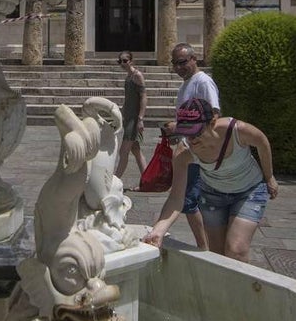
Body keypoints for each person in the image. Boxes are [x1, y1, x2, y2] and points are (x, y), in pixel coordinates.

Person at [143, 98, 279, 262]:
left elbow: (262, 142)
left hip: (249, 190)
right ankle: (222, 287)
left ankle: (239, 287)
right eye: (186, 134)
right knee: (218, 255)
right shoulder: (184, 152)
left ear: (212, 122)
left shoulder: (236, 130)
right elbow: (176, 198)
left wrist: (269, 176)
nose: (192, 140)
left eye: (197, 133)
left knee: (236, 250)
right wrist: (159, 230)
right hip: (213, 194)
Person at [164, 42, 221, 248]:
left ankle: (204, 248)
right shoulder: (186, 84)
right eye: (175, 64)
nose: (178, 67)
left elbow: (214, 116)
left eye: (182, 62)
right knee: (188, 200)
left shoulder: (203, 82)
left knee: (188, 200)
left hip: (198, 152)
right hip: (187, 150)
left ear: (194, 59)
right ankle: (204, 246)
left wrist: (178, 126)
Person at [114, 51, 147, 182]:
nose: (122, 64)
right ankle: (147, 181)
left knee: (123, 151)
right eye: (120, 61)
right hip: (128, 118)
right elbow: (128, 99)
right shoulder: (128, 77)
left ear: (131, 61)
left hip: (134, 120)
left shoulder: (137, 75)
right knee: (136, 151)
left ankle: (115, 180)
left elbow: (144, 97)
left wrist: (140, 119)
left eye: (125, 61)